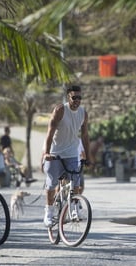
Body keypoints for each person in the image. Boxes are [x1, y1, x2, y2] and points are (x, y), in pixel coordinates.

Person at [42, 85, 91, 227]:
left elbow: (85, 136)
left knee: (76, 182)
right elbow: (49, 133)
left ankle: (74, 209)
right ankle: (49, 213)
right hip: (55, 153)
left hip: (71, 154)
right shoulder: (60, 110)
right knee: (51, 183)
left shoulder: (83, 113)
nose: (77, 100)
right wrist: (46, 153)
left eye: (79, 97)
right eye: (74, 97)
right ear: (68, 97)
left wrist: (87, 156)